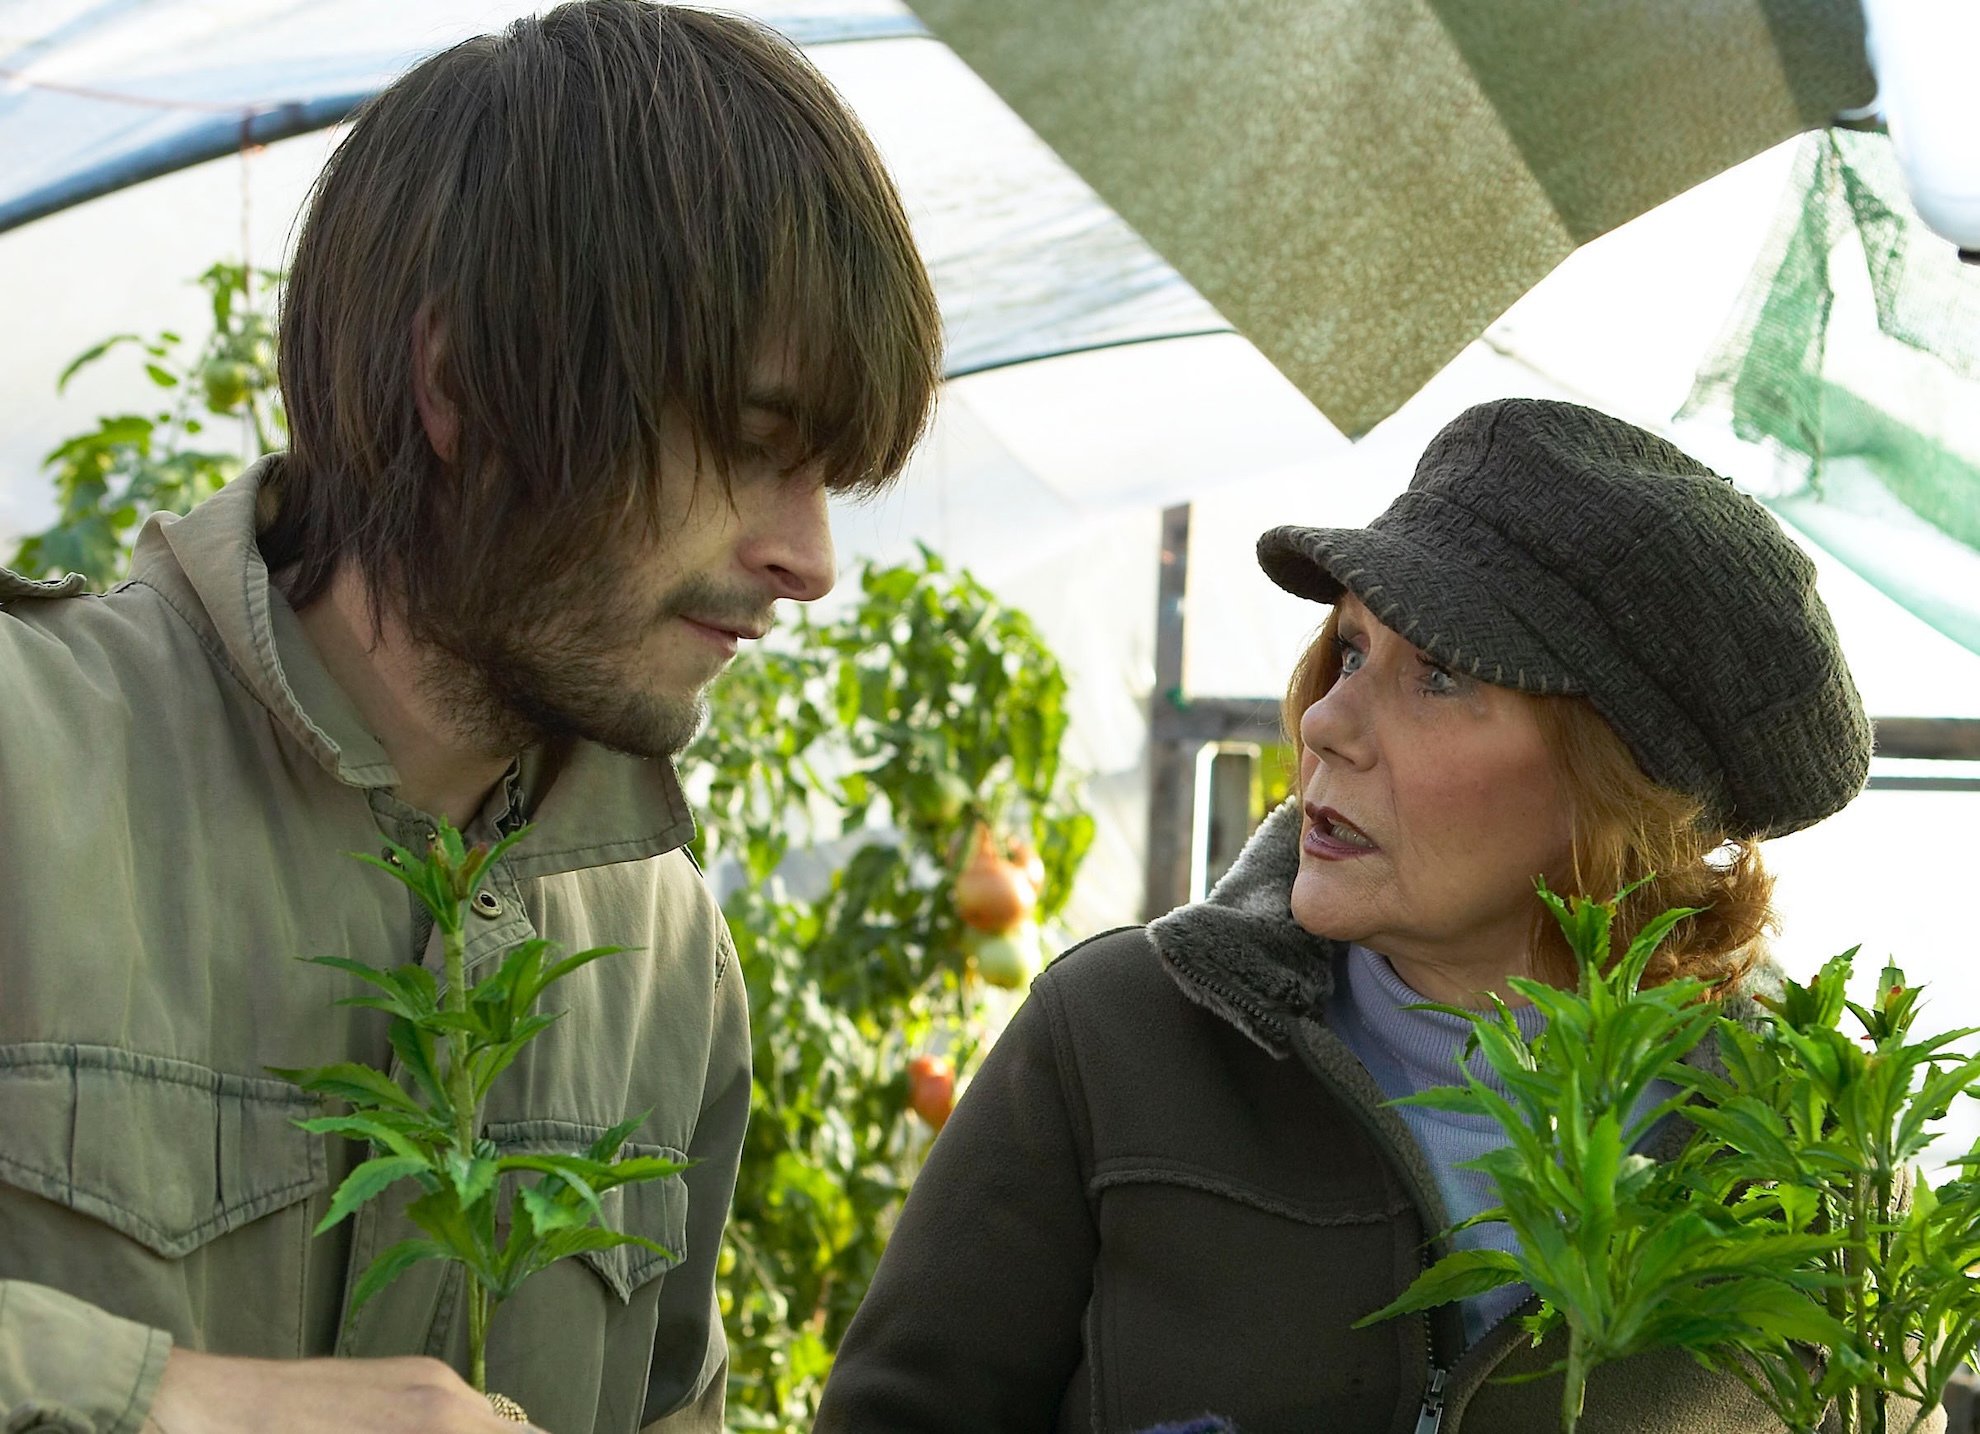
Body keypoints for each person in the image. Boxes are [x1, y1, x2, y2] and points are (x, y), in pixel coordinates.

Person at [0, 6, 938, 1433]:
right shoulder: (29, 763)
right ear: (464, 385)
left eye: (830, 482)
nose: (809, 560)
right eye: (753, 447)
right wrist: (186, 1401)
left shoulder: (664, 950)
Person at [813, 399, 1918, 1433]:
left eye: (1436, 675)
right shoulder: (1112, 1042)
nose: (1328, 722)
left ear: (1618, 784)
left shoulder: (1812, 1150)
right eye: (1349, 649)